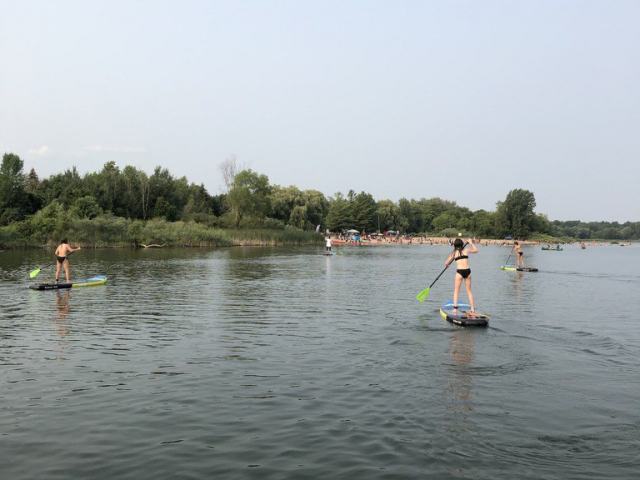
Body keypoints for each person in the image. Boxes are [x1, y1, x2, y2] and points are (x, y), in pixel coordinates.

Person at [446, 238, 478, 312]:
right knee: (469, 290)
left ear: (455, 245)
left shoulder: (453, 253)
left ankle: (455, 309)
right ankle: (472, 308)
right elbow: (476, 250)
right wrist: (471, 243)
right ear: (462, 244)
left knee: (456, 290)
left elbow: (446, 263)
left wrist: (447, 265)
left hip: (459, 272)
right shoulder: (466, 250)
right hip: (468, 271)